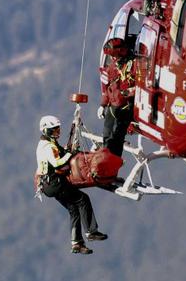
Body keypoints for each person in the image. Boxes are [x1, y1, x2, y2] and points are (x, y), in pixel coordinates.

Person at [35, 115, 107, 254]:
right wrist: (70, 153)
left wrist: (68, 150)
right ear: (46, 130)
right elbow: (57, 162)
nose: (57, 132)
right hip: (55, 183)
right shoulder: (48, 146)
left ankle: (77, 244)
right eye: (54, 129)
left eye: (58, 129)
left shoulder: (46, 144)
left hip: (48, 185)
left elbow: (59, 154)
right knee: (82, 199)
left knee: (73, 209)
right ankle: (91, 232)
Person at [97, 37, 137, 157]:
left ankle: (114, 159)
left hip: (125, 107)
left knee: (117, 137)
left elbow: (141, 86)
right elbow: (108, 87)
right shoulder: (113, 67)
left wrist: (129, 92)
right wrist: (103, 105)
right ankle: (105, 158)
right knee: (107, 134)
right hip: (112, 106)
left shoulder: (135, 65)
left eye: (113, 56)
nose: (111, 59)